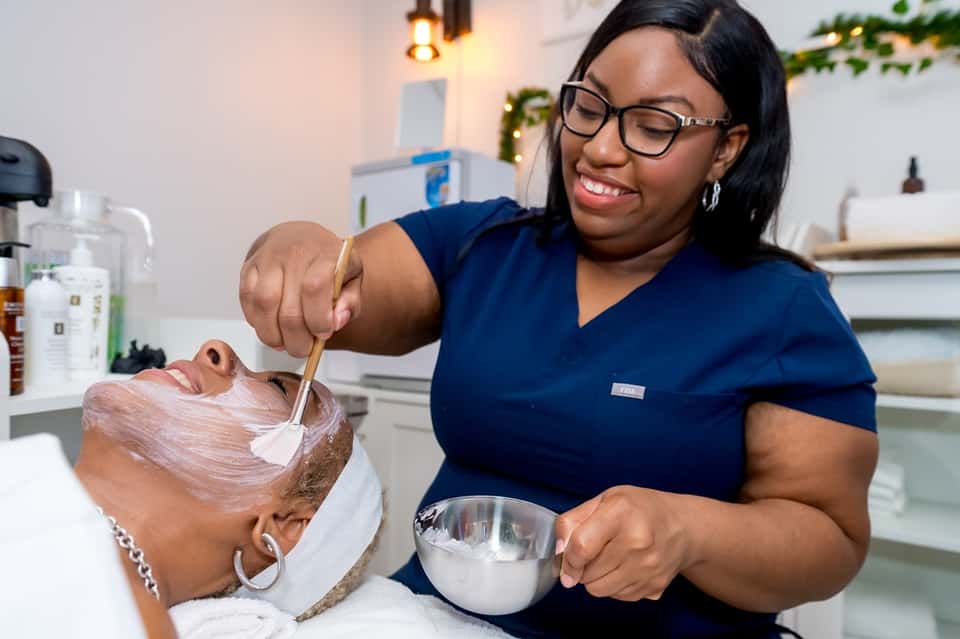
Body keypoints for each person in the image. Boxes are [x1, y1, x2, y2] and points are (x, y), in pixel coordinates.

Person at [238, 1, 879, 637]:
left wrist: (688, 532)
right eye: (589, 107)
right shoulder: (482, 245)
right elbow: (349, 281)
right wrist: (298, 250)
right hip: (436, 619)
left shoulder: (780, 307)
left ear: (725, 150)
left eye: (653, 126)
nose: (599, 148)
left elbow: (829, 539)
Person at [0, 339, 382, 639]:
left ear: (279, 528)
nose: (214, 348)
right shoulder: (36, 496)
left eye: (281, 390)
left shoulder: (109, 613)